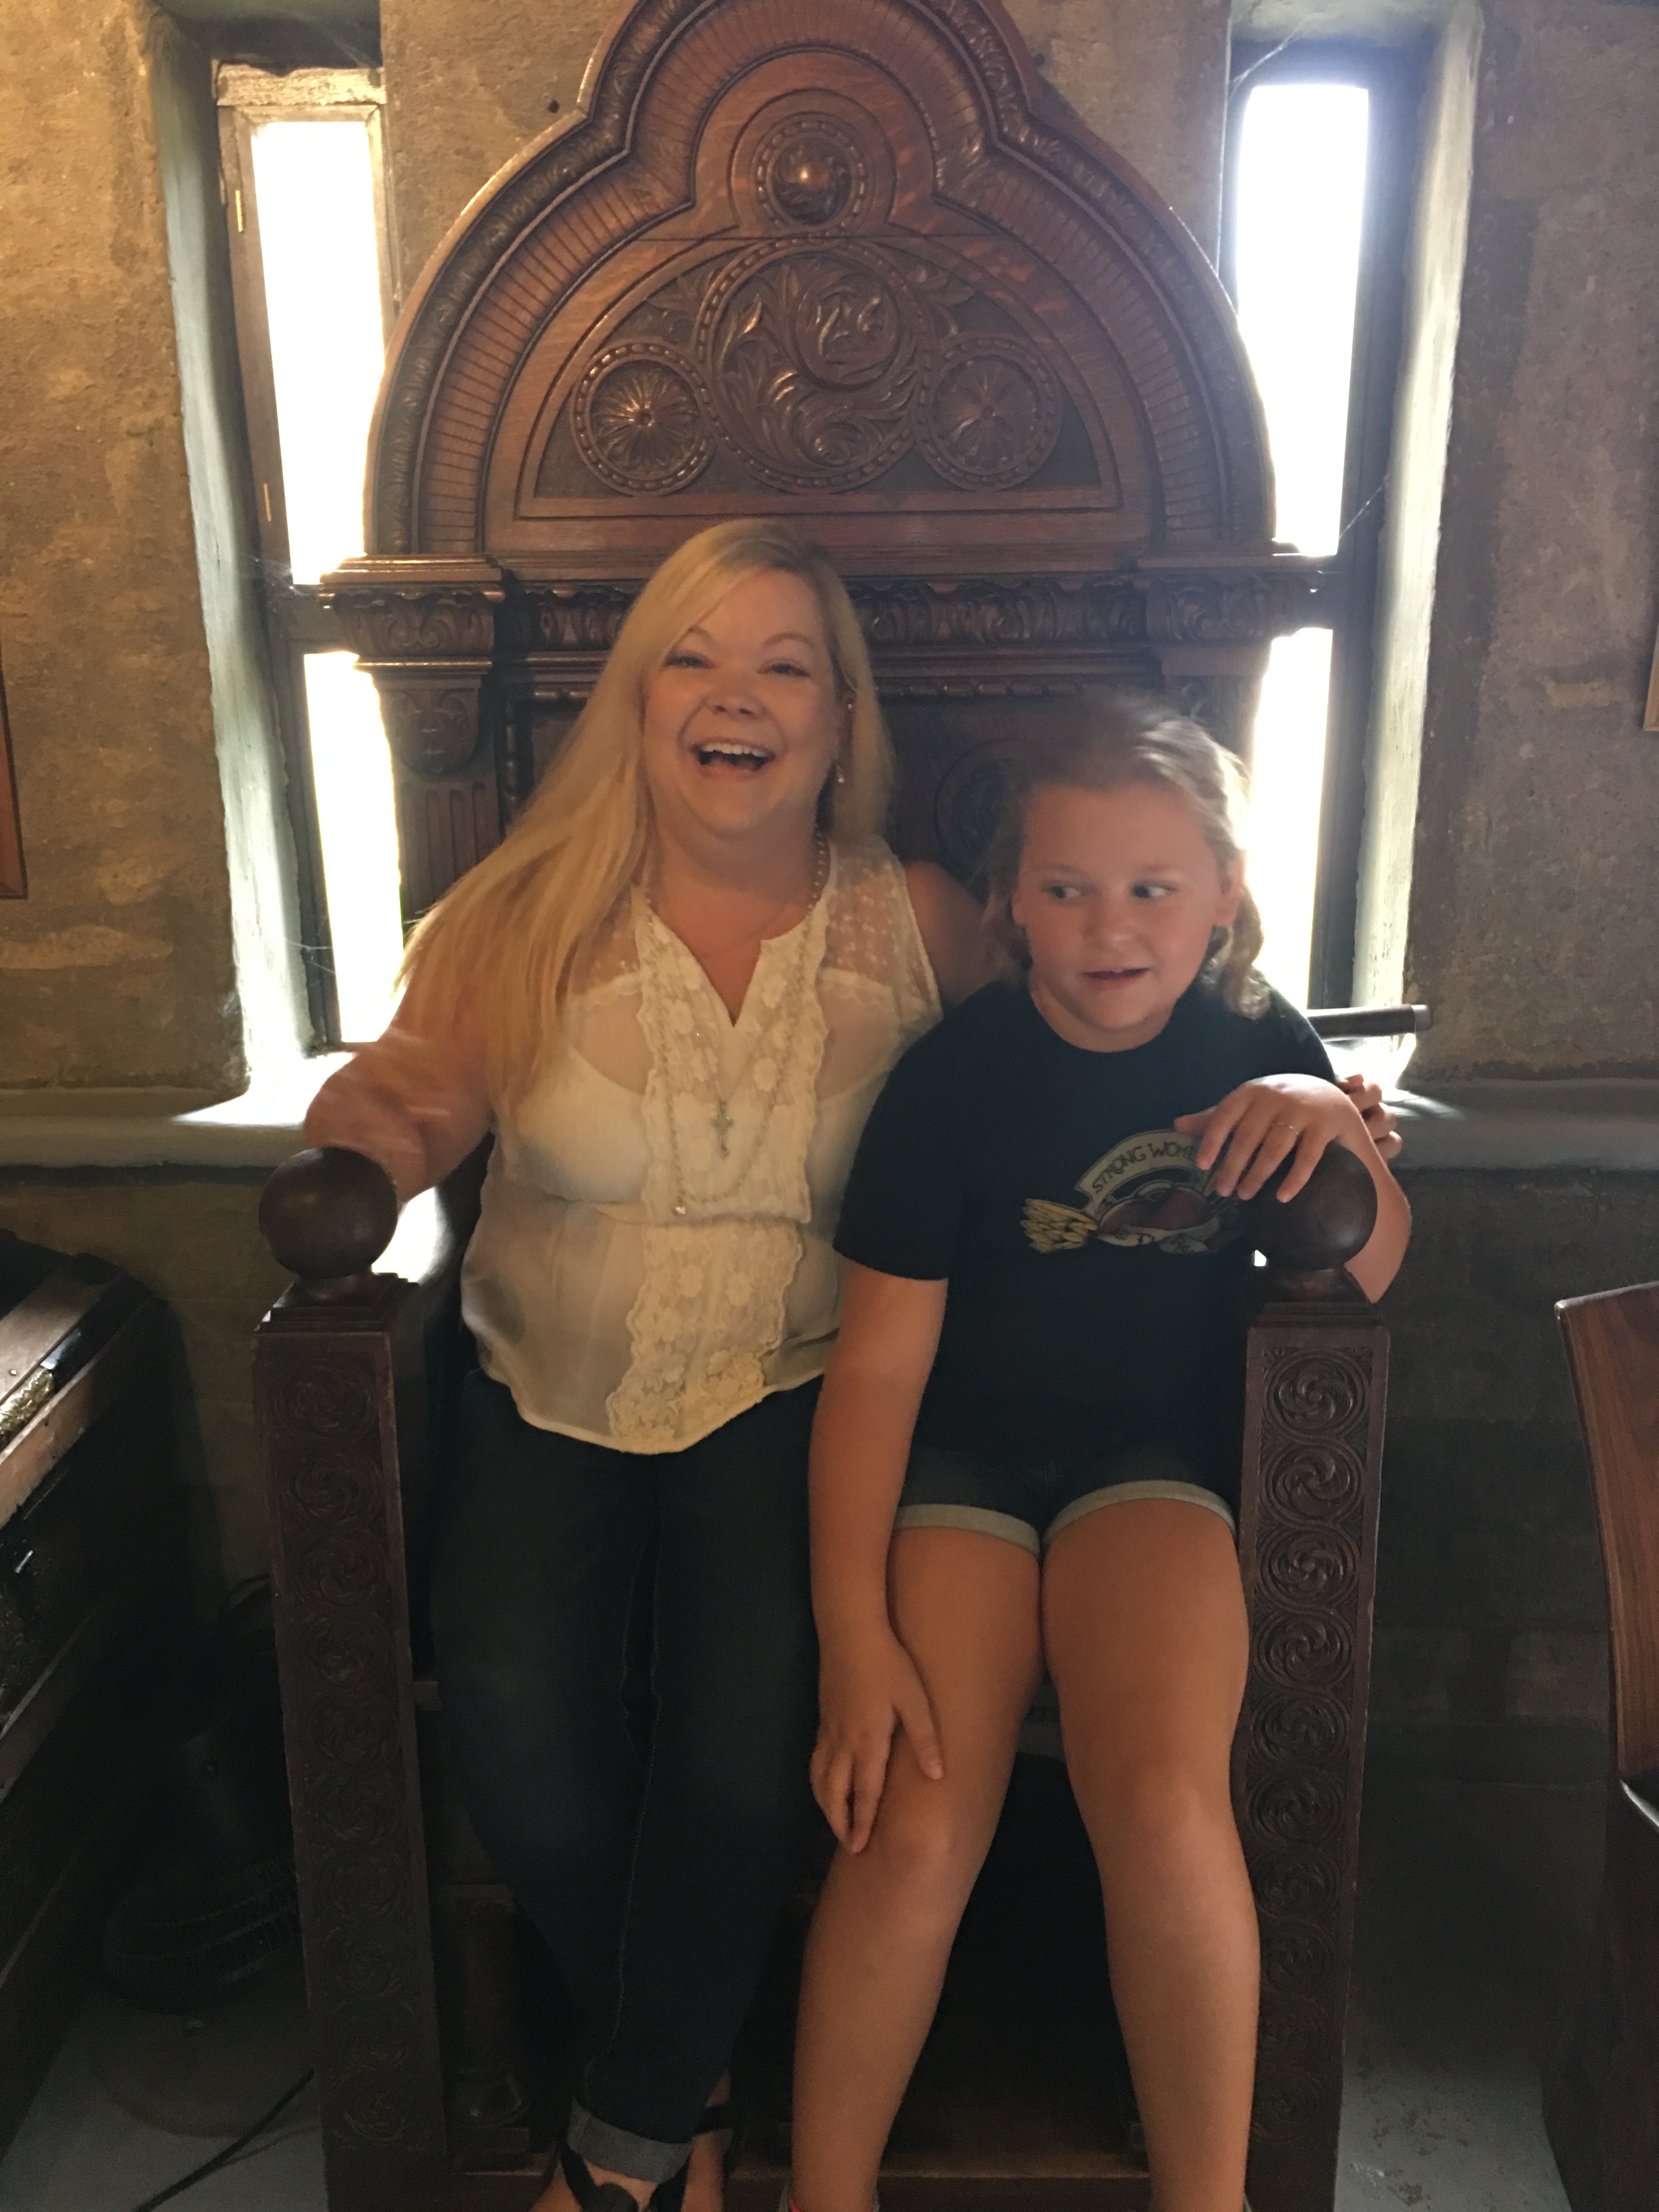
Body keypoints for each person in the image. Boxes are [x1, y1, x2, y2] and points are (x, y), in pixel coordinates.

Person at [304, 520, 993, 2212]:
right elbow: (414, 1098)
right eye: (693, 657)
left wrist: (1287, 1083)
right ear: (636, 701)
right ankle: (684, 2075)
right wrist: (358, 1152)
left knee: (745, 1741)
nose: (735, 696)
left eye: (784, 667)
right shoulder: (525, 913)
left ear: (841, 720)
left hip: (809, 1384)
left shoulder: (921, 921)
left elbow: (1085, 1034)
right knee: (514, 1718)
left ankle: (623, 2156)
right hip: (548, 1373)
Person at [787, 699, 1410, 2212]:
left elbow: (1375, 1269)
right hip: (964, 1469)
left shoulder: (1255, 1041)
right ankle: (825, 2194)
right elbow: (877, 1373)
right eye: (1067, 888)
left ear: (1223, 897)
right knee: (914, 1824)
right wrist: (852, 1632)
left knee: (1164, 1803)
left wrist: (1325, 1115)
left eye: (1151, 888)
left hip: (1151, 1465)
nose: (1110, 927)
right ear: (1013, 900)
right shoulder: (954, 1082)